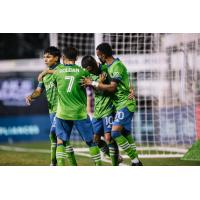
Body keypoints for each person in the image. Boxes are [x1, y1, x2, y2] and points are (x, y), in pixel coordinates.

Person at [82, 43, 142, 166]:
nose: (97, 58)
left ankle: (134, 162)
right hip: (113, 105)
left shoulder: (114, 66)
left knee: (113, 135)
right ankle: (127, 160)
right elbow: (125, 79)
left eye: (98, 55)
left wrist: (94, 83)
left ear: (102, 55)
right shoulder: (105, 67)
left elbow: (113, 87)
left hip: (122, 103)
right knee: (121, 133)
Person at [46, 47, 101, 166]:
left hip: (62, 113)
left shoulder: (57, 73)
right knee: (91, 142)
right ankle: (99, 165)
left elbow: (56, 85)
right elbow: (91, 84)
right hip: (79, 113)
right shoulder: (83, 72)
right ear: (76, 58)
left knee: (61, 141)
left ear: (63, 58)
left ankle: (60, 166)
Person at [25, 46, 67, 166]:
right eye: (44, 57)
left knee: (54, 133)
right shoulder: (45, 74)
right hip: (52, 109)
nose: (45, 59)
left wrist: (46, 71)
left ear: (56, 58)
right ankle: (57, 162)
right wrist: (31, 96)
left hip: (63, 108)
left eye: (48, 57)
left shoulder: (62, 69)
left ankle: (54, 164)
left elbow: (67, 74)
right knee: (59, 138)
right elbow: (38, 91)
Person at [81, 55, 122, 166]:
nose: (88, 71)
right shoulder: (88, 75)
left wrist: (98, 83)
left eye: (89, 69)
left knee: (108, 137)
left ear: (92, 65)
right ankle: (115, 157)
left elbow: (111, 88)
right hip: (98, 110)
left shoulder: (105, 69)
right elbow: (95, 89)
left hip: (108, 107)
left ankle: (115, 164)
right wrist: (94, 83)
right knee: (95, 139)